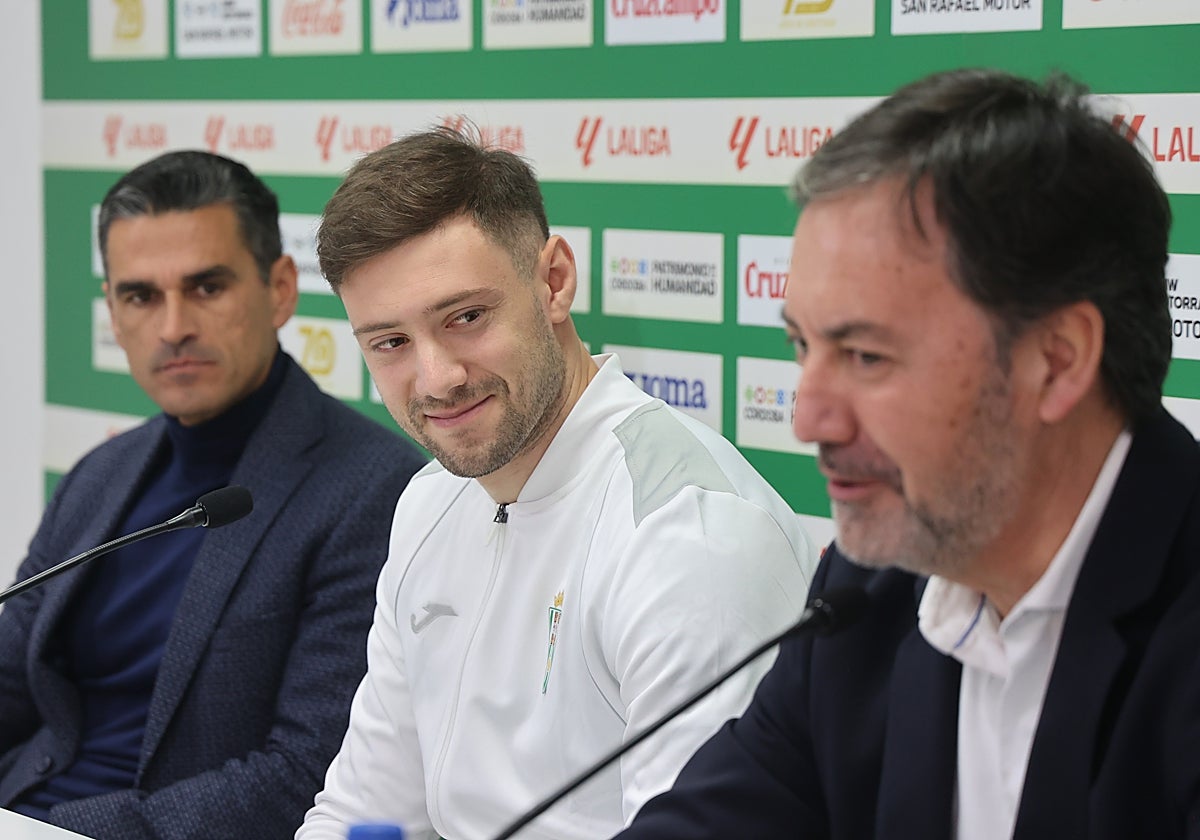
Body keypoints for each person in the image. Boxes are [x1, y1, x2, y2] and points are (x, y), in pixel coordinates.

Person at [613, 67, 1200, 839]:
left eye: (865, 357)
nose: (809, 418)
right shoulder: (872, 590)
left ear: (1055, 361)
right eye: (801, 345)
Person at [295, 127, 817, 840]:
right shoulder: (428, 501)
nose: (437, 378)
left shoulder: (688, 535)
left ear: (553, 282)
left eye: (466, 317)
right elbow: (365, 809)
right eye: (391, 343)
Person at [0, 150, 426, 838]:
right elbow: (12, 677)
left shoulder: (372, 493)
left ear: (281, 288)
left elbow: (307, 771)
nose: (173, 328)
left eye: (206, 287)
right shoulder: (100, 474)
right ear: (111, 308)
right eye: (140, 296)